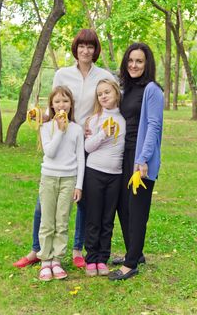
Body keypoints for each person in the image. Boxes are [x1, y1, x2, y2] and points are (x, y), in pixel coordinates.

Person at [13, 29, 115, 269]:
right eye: (81, 46)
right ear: (76, 48)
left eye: (90, 46)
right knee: (44, 202)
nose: (85, 51)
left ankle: (78, 248)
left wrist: (95, 125)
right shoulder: (62, 73)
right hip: (61, 138)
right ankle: (37, 250)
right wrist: (41, 116)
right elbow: (54, 104)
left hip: (88, 142)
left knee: (81, 198)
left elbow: (108, 102)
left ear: (95, 50)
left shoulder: (104, 75)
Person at [108, 42, 164, 281]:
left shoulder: (153, 90)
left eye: (139, 61)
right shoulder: (126, 88)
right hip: (123, 153)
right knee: (124, 205)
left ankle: (131, 264)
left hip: (140, 159)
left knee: (138, 209)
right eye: (130, 60)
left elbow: (154, 126)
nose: (134, 65)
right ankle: (135, 252)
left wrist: (143, 159)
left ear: (147, 63)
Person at [37, 86, 85, 281]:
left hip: (68, 179)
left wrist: (78, 185)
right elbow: (50, 152)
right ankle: (45, 261)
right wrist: (60, 130)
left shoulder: (77, 129)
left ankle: (57, 259)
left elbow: (81, 158)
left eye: (65, 101)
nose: (61, 105)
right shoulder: (45, 127)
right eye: (57, 101)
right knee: (47, 222)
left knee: (62, 221)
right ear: (52, 104)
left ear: (71, 104)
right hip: (48, 178)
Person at [84, 80, 126, 277]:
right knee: (94, 217)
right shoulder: (96, 119)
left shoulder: (124, 119)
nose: (103, 96)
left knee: (108, 219)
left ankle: (103, 258)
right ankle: (91, 258)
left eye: (107, 92)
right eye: (100, 94)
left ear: (116, 93)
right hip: (95, 171)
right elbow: (88, 147)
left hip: (115, 175)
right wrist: (102, 134)